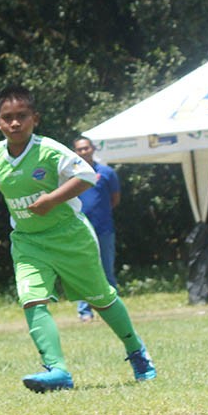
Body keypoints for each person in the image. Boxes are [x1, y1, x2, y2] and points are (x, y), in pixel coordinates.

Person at [0, 85, 156, 392]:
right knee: (31, 298)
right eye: (8, 117)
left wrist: (51, 201)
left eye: (22, 116)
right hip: (28, 241)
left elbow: (86, 176)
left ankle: (137, 352)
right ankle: (57, 370)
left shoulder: (49, 150)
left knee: (101, 297)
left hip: (70, 236)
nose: (15, 123)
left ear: (35, 118)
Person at [72, 136, 121, 322]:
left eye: (86, 148)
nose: (83, 152)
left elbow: (115, 199)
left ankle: (114, 310)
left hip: (104, 229)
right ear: (75, 152)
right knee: (83, 271)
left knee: (107, 270)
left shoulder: (107, 172)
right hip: (79, 231)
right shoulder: (71, 174)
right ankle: (85, 312)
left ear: (92, 149)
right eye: (79, 149)